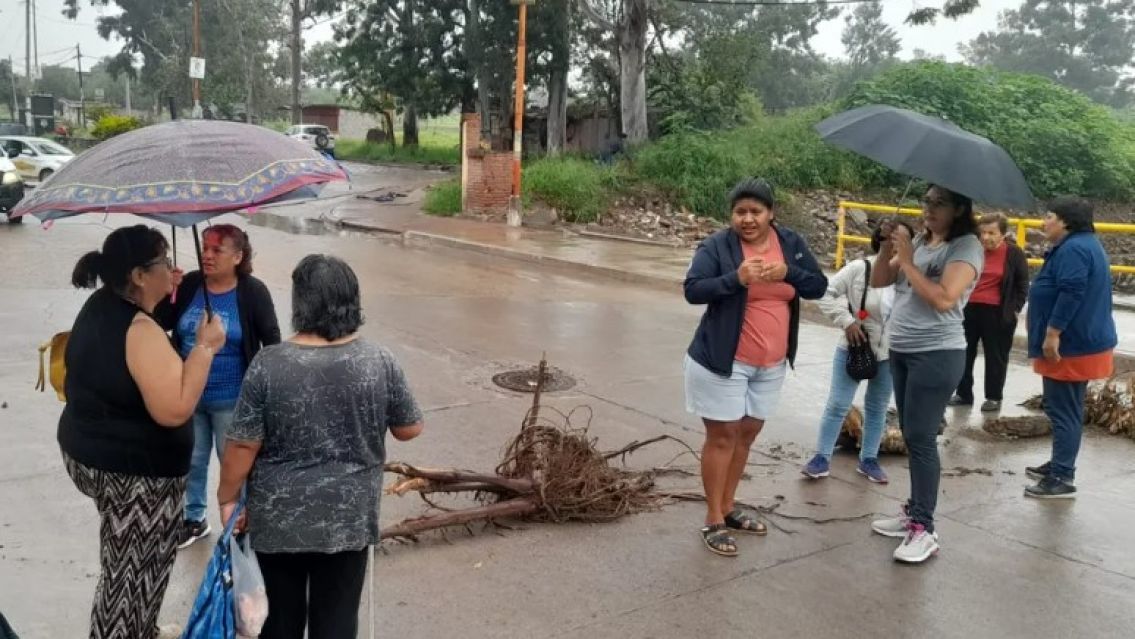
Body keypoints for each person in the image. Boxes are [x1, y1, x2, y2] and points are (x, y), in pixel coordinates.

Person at [217, 255, 424, 637]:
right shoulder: (378, 360)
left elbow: (242, 446)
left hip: (278, 519)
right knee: (337, 619)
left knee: (279, 621)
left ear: (300, 303)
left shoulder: (268, 363)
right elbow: (409, 428)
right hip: (348, 520)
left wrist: (227, 499)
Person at [59, 225, 225, 639]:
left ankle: (142, 629)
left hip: (95, 456)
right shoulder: (138, 330)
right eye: (164, 263)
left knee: (139, 562)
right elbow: (174, 410)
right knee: (129, 576)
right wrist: (205, 349)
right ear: (138, 275)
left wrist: (169, 294)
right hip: (133, 477)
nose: (173, 269)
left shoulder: (104, 305)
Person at [684, 178, 827, 557]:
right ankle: (713, 518)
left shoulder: (791, 244)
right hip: (722, 361)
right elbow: (693, 289)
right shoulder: (718, 246)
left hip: (771, 364)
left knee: (746, 434)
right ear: (731, 215)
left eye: (756, 212)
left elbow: (818, 286)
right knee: (723, 436)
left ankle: (729, 507)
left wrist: (788, 273)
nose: (747, 219)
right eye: (740, 212)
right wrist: (737, 278)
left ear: (771, 213)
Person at [868, 185, 984, 564]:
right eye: (926, 202)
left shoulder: (965, 247)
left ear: (959, 209)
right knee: (912, 432)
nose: (929, 209)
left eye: (939, 204)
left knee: (920, 439)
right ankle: (913, 513)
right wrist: (889, 249)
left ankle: (925, 528)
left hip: (937, 353)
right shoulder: (920, 239)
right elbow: (880, 281)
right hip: (901, 349)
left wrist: (910, 259)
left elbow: (943, 298)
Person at [156, 224, 281, 549]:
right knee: (192, 460)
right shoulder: (192, 284)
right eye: (204, 248)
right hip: (189, 394)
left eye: (216, 250)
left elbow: (272, 342)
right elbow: (162, 322)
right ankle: (194, 519)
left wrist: (266, 393)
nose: (207, 256)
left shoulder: (252, 292)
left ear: (238, 256)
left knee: (234, 466)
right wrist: (166, 290)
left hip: (233, 401)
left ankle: (239, 522)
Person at [803, 222, 912, 484]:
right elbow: (825, 294)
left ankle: (869, 460)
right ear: (880, 241)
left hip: (890, 354)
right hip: (854, 348)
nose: (896, 244)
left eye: (903, 240)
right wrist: (847, 321)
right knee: (838, 404)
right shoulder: (859, 269)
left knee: (877, 408)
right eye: (890, 238)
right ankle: (821, 458)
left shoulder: (910, 276)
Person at [1024, 197, 1117, 499]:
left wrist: (1052, 333)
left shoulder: (1075, 248)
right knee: (1068, 408)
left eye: (1048, 216)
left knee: (1062, 409)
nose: (1043, 222)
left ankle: (1063, 475)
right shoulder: (1082, 244)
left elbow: (1071, 291)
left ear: (1065, 221)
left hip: (1070, 346)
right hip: (1079, 342)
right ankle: (1060, 463)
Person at [949, 213, 1030, 412]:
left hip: (998, 312)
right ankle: (963, 393)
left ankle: (993, 397)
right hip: (968, 308)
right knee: (963, 353)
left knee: (996, 356)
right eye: (982, 233)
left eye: (992, 233)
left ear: (1003, 234)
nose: (986, 237)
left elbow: (1022, 284)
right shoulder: (972, 250)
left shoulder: (1013, 253)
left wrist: (1015, 309)